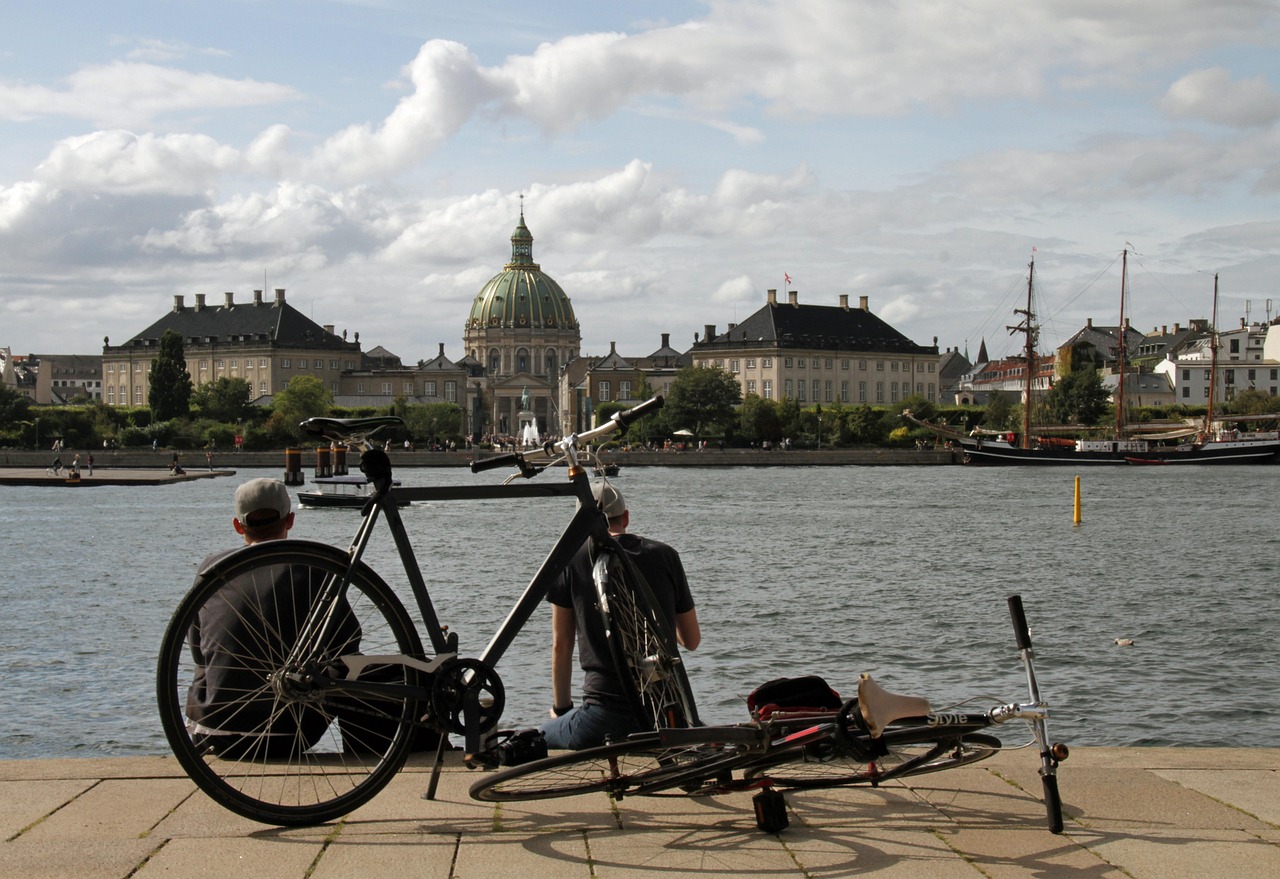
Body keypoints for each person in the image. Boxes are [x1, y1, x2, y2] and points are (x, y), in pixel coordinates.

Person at [187, 478, 438, 757]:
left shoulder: (211, 568)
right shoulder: (310, 565)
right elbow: (346, 646)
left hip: (210, 733)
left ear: (237, 525)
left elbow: (198, 650)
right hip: (283, 734)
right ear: (291, 520)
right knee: (356, 671)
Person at [540, 481, 700, 749]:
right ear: (626, 517)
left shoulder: (570, 560)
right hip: (666, 713)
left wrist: (562, 708)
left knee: (540, 735)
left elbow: (562, 644)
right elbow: (691, 640)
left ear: (580, 523)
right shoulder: (666, 555)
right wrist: (649, 615)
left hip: (603, 715)